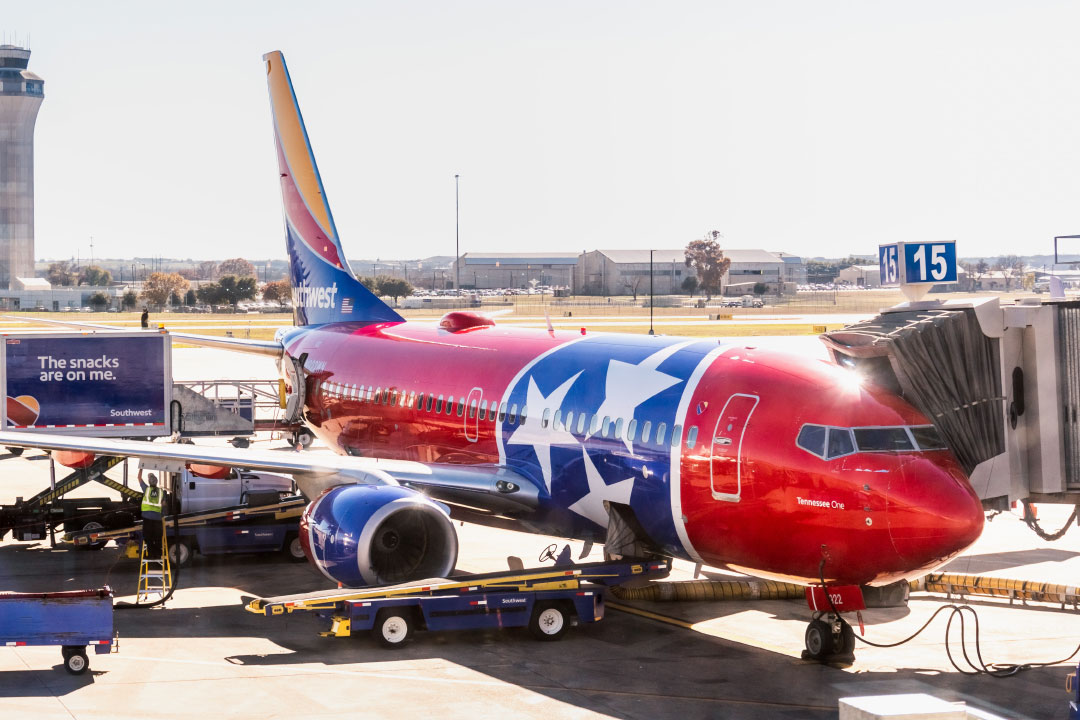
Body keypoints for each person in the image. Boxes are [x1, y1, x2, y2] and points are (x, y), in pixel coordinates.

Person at [138, 469, 166, 558]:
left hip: (147, 517)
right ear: (156, 482)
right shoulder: (161, 491)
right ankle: (158, 554)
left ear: (149, 482)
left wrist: (141, 468)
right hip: (157, 517)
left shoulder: (146, 489)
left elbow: (139, 478)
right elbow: (164, 503)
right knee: (157, 536)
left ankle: (150, 554)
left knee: (148, 536)